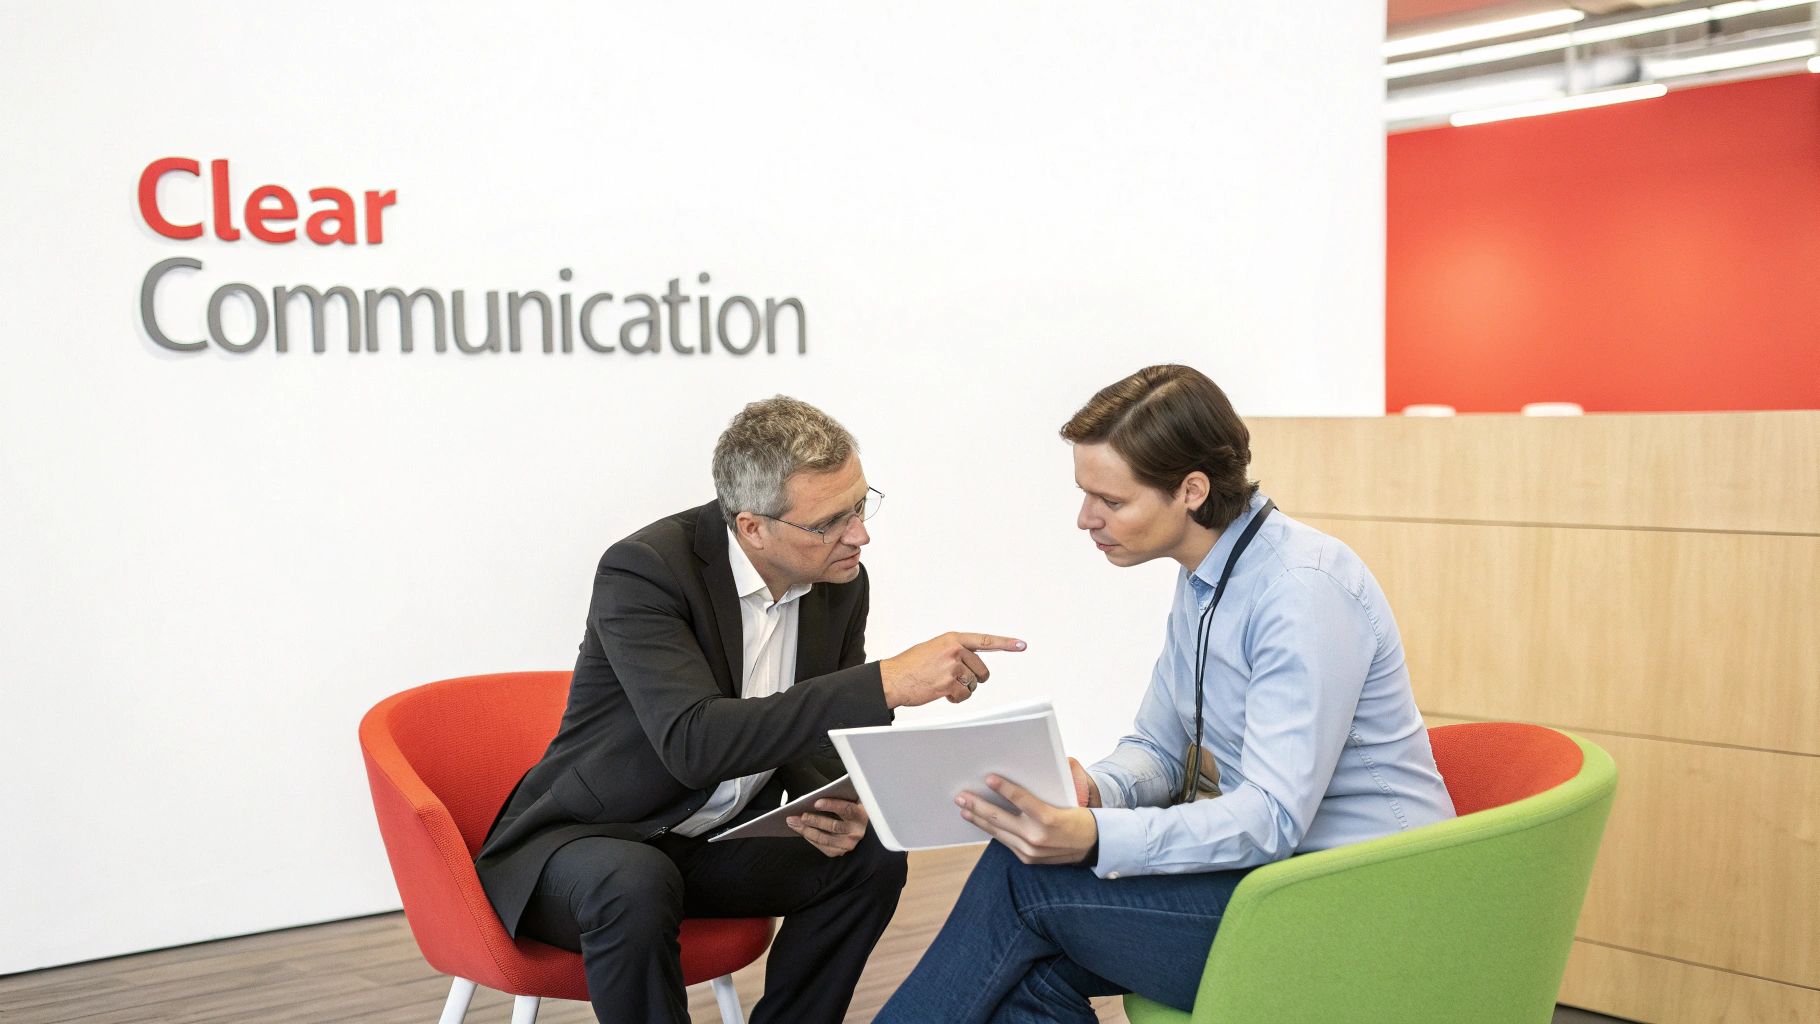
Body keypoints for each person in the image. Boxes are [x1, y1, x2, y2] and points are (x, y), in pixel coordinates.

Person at [876, 365, 1456, 1024]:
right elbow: (1158, 747)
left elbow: (1270, 818)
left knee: (1022, 880)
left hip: (1368, 906)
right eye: (1085, 494)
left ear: (1191, 490)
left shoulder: (1300, 592)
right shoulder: (1209, 577)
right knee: (1023, 972)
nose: (1085, 519)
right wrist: (1096, 792)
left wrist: (1096, 836)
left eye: (1110, 500)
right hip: (1286, 884)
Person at [476, 395, 1025, 1024]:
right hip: (590, 840)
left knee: (870, 853)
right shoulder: (645, 570)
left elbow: (821, 735)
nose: (859, 534)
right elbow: (694, 744)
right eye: (830, 522)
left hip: (712, 841)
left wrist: (835, 803)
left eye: (860, 504)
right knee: (634, 880)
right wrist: (886, 683)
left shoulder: (840, 582)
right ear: (752, 527)